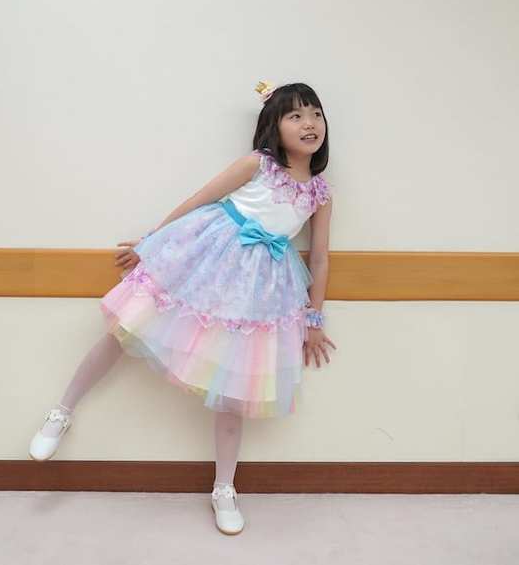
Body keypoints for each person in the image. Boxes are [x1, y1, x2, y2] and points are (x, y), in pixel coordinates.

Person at [29, 80, 337, 535]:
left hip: (260, 287)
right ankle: (62, 411)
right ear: (274, 125)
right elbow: (200, 199)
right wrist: (152, 241)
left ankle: (224, 488)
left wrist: (314, 317)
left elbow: (320, 257)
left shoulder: (320, 193)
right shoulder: (257, 164)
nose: (309, 123)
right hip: (207, 256)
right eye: (295, 115)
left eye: (315, 113)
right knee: (125, 329)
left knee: (233, 384)